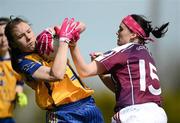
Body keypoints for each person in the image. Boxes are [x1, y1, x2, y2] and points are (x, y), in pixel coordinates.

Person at [69, 14, 169, 123]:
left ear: (133, 34)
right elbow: (122, 89)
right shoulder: (147, 54)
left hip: (134, 114)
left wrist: (72, 44)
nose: (117, 33)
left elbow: (84, 71)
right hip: (158, 115)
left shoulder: (125, 50)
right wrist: (102, 72)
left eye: (121, 29)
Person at [5, 17, 104, 123]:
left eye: (29, 31)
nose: (28, 37)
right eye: (20, 36)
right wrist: (64, 40)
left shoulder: (45, 39)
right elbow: (56, 75)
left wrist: (52, 30)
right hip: (62, 113)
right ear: (14, 43)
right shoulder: (23, 62)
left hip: (88, 104)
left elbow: (82, 25)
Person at [0, 17, 28, 123]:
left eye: (6, 35)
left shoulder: (17, 63)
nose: (3, 40)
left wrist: (19, 93)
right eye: (0, 35)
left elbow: (19, 81)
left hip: (7, 117)